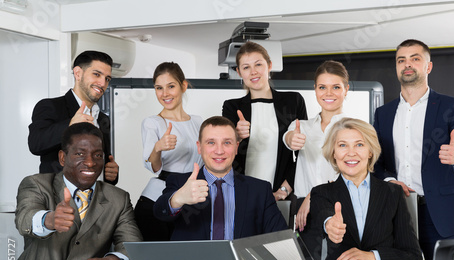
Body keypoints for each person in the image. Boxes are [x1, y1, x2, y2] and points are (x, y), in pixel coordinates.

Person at [373, 39, 454, 260]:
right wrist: (387, 179)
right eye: (401, 60)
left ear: (428, 66)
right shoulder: (383, 113)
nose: (407, 64)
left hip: (439, 215)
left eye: (415, 59)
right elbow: (374, 160)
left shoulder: (451, 106)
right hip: (396, 212)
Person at [16, 123, 142, 260]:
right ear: (63, 158)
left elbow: (132, 246)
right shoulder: (37, 185)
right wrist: (49, 220)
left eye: (97, 155)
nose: (90, 163)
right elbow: (24, 220)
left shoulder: (118, 198)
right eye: (80, 154)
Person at [309, 118, 422, 260]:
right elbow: (324, 215)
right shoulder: (320, 193)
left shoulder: (393, 193)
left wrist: (373, 257)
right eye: (343, 145)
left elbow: (413, 255)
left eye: (359, 145)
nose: (351, 153)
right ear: (333, 153)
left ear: (370, 152)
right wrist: (330, 225)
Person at [153, 116, 288, 240]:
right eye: (211, 143)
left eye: (227, 143)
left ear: (236, 148)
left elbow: (280, 237)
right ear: (199, 147)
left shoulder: (259, 190)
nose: (219, 151)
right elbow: (159, 214)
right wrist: (178, 198)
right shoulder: (180, 182)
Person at [222, 41, 307, 201]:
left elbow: (303, 155)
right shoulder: (232, 107)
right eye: (246, 67)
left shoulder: (293, 101)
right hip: (242, 195)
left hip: (281, 195)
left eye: (258, 64)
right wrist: (236, 137)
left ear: (269, 65)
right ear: (239, 72)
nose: (253, 72)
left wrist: (284, 189)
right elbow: (224, 154)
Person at [28, 50, 119, 185]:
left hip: (95, 200)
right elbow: (35, 144)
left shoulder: (102, 119)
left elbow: (103, 161)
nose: (102, 83)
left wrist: (111, 174)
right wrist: (70, 124)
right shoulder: (50, 106)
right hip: (59, 198)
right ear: (78, 73)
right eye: (96, 74)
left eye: (107, 78)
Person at [135, 62, 203, 241]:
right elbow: (154, 167)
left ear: (183, 86)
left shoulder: (198, 122)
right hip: (157, 201)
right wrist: (158, 147)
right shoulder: (153, 123)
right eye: (159, 88)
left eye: (170, 86)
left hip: (190, 198)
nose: (164, 94)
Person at [283, 60, 348, 239]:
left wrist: (314, 196)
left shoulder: (353, 128)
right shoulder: (301, 126)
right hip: (303, 209)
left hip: (339, 204)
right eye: (322, 87)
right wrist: (291, 139)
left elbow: (351, 173)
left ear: (346, 89)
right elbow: (288, 138)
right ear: (315, 89)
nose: (328, 93)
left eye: (336, 87)